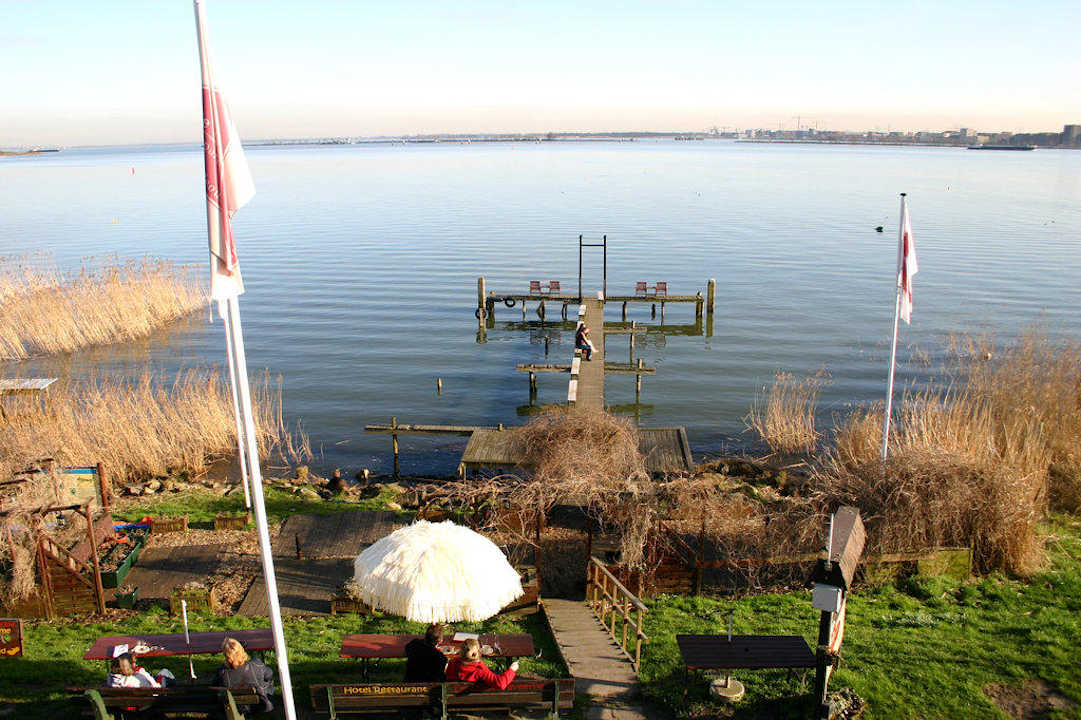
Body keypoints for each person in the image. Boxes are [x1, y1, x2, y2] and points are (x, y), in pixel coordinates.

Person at [211, 637, 275, 713]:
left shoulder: (222, 673)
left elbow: (214, 684)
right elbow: (269, 674)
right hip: (261, 705)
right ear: (242, 649)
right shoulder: (256, 664)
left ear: (226, 656)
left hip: (236, 708)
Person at [445, 638, 518, 690]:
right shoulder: (480, 670)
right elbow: (500, 683)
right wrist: (512, 669)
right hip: (478, 701)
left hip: (454, 700)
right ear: (478, 652)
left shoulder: (452, 664)